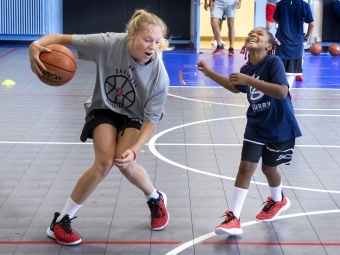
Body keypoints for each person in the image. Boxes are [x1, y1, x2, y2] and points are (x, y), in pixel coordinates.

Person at [29, 9, 171, 245]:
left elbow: (151, 120)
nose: (152, 46)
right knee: (104, 162)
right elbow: (62, 39)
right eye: (147, 39)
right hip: (103, 107)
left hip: (134, 115)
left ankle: (155, 199)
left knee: (126, 164)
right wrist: (36, 45)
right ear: (131, 35)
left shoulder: (159, 77)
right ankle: (62, 221)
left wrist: (134, 149)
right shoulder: (108, 43)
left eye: (157, 41)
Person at [197, 27, 302, 235]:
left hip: (279, 126)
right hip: (256, 125)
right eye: (250, 33)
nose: (253, 34)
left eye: (259, 34)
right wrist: (209, 73)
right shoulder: (246, 69)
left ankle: (278, 201)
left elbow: (282, 92)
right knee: (246, 167)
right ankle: (233, 218)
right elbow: (234, 86)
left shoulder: (273, 62)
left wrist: (249, 80)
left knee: (269, 170)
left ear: (269, 46)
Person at [273, 0, 314, 90]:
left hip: (281, 41)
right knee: (292, 72)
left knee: (279, 70)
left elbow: (275, 19)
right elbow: (312, 24)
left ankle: (279, 92)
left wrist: (284, 23)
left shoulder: (281, 4)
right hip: (296, 42)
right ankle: (287, 92)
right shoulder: (304, 5)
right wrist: (307, 36)